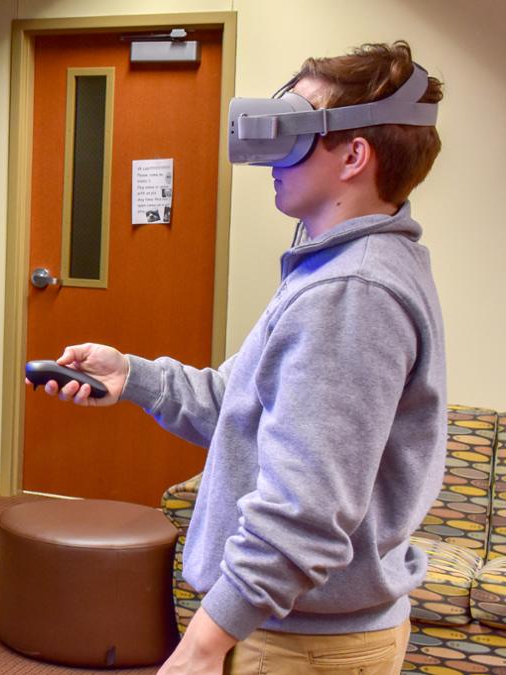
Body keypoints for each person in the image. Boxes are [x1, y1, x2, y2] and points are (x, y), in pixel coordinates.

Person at [35, 41, 446, 674]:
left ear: (354, 155)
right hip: (294, 629)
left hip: (299, 642)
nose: (272, 156)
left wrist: (202, 644)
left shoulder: (351, 291)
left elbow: (305, 512)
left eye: (297, 130)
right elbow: (241, 409)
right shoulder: (338, 268)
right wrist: (133, 377)